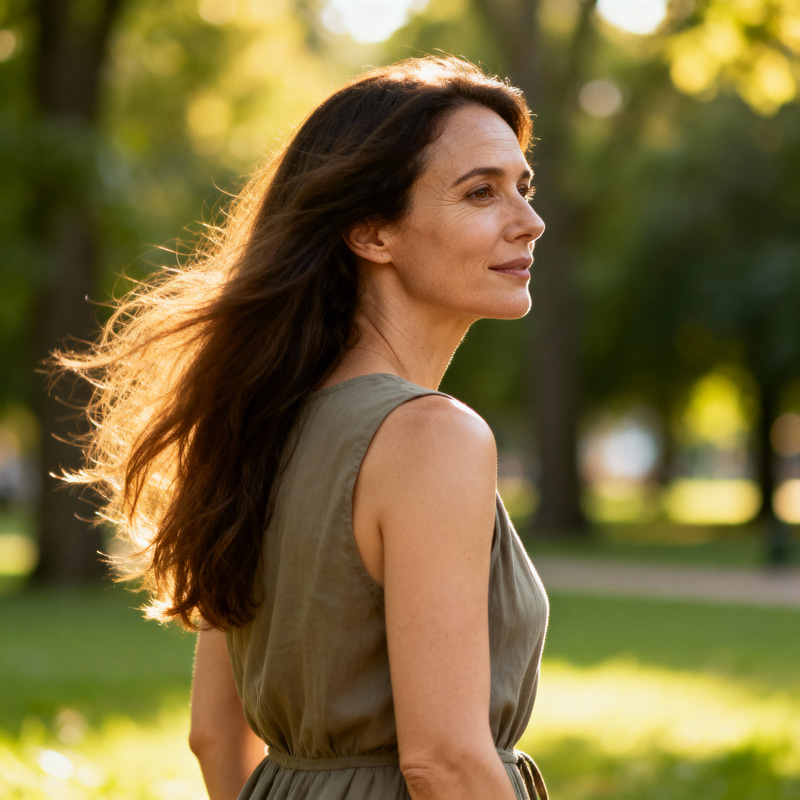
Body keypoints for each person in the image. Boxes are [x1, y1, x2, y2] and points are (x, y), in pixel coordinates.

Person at [56, 55, 549, 800]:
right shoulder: (432, 437)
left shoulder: (253, 422)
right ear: (372, 232)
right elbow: (444, 761)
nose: (529, 221)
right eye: (480, 193)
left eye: (523, 187)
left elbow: (215, 735)